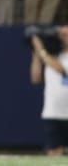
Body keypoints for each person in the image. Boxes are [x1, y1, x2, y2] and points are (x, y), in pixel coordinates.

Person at [30, 27, 68, 157]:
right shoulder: (50, 56)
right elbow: (36, 78)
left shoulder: (50, 58)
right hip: (52, 113)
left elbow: (61, 70)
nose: (63, 38)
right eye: (61, 35)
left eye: (66, 35)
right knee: (54, 153)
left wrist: (41, 50)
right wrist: (36, 53)